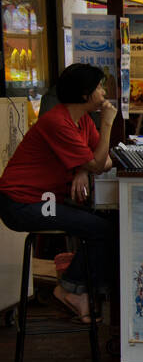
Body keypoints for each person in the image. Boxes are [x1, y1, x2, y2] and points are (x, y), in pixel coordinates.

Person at [0, 64, 116, 323]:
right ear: (85, 94)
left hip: (43, 200)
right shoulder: (57, 121)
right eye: (99, 86)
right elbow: (98, 162)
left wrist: (81, 169)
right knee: (102, 229)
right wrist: (107, 125)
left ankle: (82, 291)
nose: (104, 91)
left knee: (109, 223)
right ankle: (71, 289)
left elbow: (102, 160)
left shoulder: (81, 120)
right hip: (21, 204)